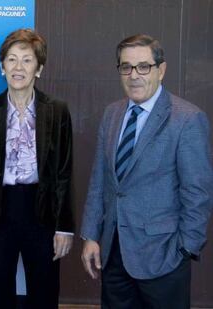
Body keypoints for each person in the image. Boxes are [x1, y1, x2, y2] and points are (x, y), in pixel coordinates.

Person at [80, 34, 213, 309]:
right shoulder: (112, 114)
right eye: (126, 67)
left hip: (164, 258)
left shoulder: (187, 118)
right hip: (114, 254)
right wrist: (92, 236)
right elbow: (100, 181)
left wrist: (185, 248)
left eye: (143, 66)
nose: (134, 75)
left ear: (161, 70)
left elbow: (198, 192)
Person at [0, 28, 74, 309]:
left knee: (44, 293)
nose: (18, 67)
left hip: (42, 212)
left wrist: (65, 227)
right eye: (11, 60)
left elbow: (64, 172)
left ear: (39, 68)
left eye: (26, 60)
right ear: (2, 67)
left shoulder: (57, 110)